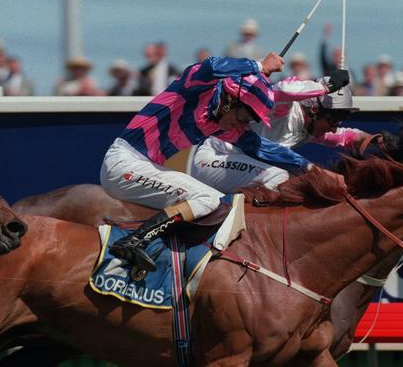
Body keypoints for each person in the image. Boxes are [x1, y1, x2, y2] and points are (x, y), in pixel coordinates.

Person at [100, 53, 348, 273]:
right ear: (231, 101)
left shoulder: (218, 123)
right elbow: (212, 65)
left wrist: (311, 169)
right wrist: (258, 66)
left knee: (213, 203)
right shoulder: (195, 86)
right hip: (125, 162)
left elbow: (261, 147)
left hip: (142, 166)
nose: (242, 126)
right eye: (243, 117)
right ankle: (134, 242)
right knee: (207, 199)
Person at [191, 71, 366, 194]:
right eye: (334, 118)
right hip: (213, 159)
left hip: (233, 170)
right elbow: (281, 89)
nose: (334, 127)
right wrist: (326, 88)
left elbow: (348, 137)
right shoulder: (283, 109)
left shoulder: (313, 130)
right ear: (314, 110)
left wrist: (373, 139)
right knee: (280, 177)